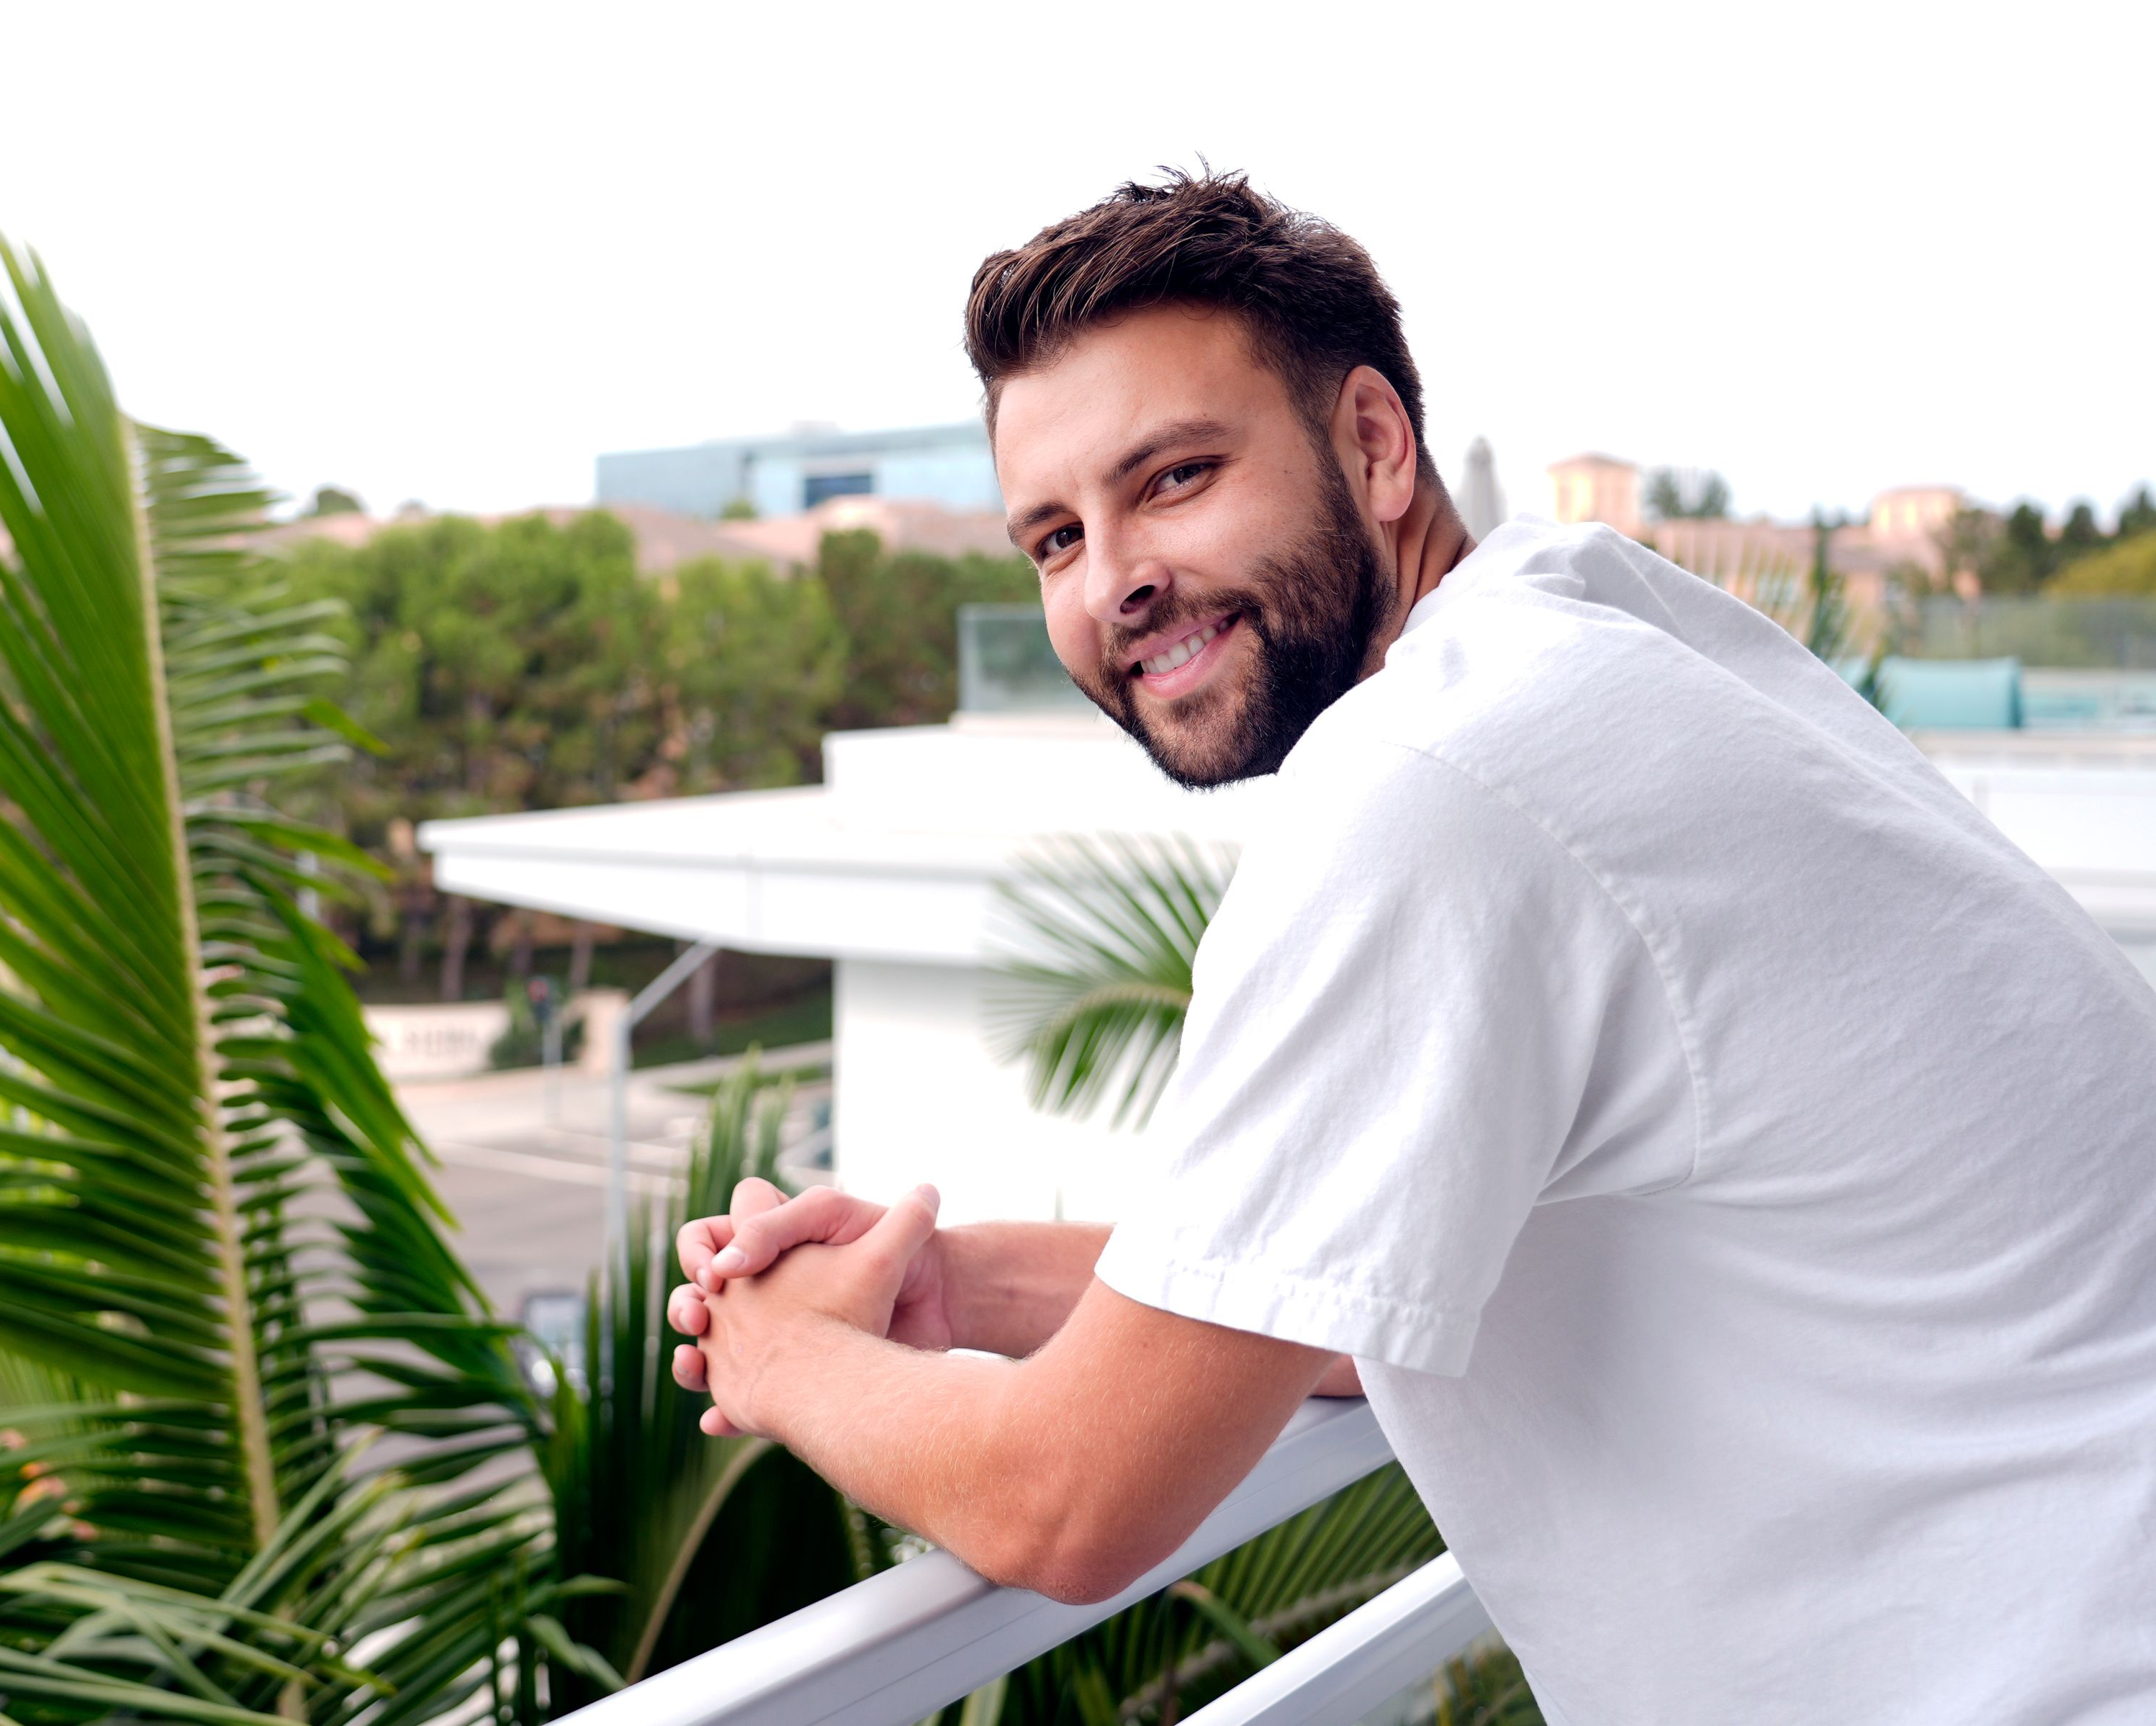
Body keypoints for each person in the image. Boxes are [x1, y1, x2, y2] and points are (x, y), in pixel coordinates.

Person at [662, 170, 2156, 1722]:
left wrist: (780, 1359)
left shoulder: (1428, 786)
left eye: (1171, 477)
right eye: (1052, 537)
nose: (1113, 580)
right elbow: (1369, 1285)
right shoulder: (1586, 629)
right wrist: (954, 1286)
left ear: (1372, 442)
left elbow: (1072, 1503)